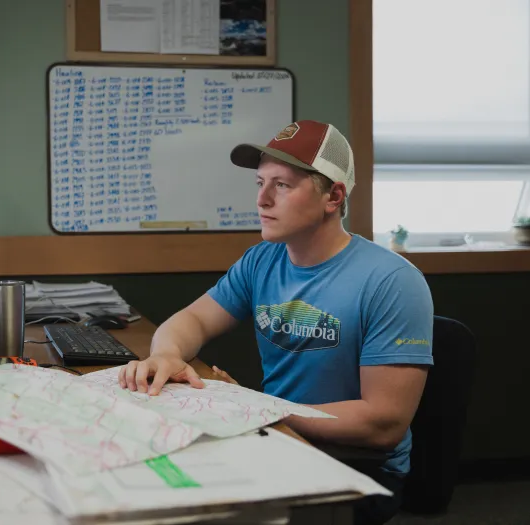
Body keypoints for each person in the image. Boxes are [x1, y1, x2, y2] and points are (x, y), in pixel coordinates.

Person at [117, 120, 434, 525]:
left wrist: (258, 409)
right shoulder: (261, 261)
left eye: (282, 185)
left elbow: (382, 423)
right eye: (260, 183)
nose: (262, 200)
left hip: (358, 469)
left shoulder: (391, 280)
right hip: (278, 437)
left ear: (333, 196)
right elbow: (193, 319)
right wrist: (166, 354)